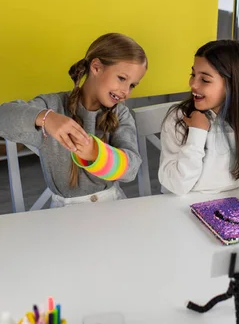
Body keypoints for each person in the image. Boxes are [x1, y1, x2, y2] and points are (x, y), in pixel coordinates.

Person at [0, 33, 147, 207]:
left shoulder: (120, 114)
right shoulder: (52, 105)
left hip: (113, 207)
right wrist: (47, 118)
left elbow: (131, 169)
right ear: (97, 67)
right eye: (122, 78)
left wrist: (95, 153)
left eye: (132, 85)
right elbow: (4, 116)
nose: (125, 91)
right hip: (65, 215)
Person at [159, 39, 239, 231]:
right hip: (180, 212)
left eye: (204, 79)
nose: (192, 84)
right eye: (193, 74)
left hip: (231, 210)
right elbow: (177, 186)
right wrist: (197, 134)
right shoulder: (178, 119)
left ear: (233, 84)